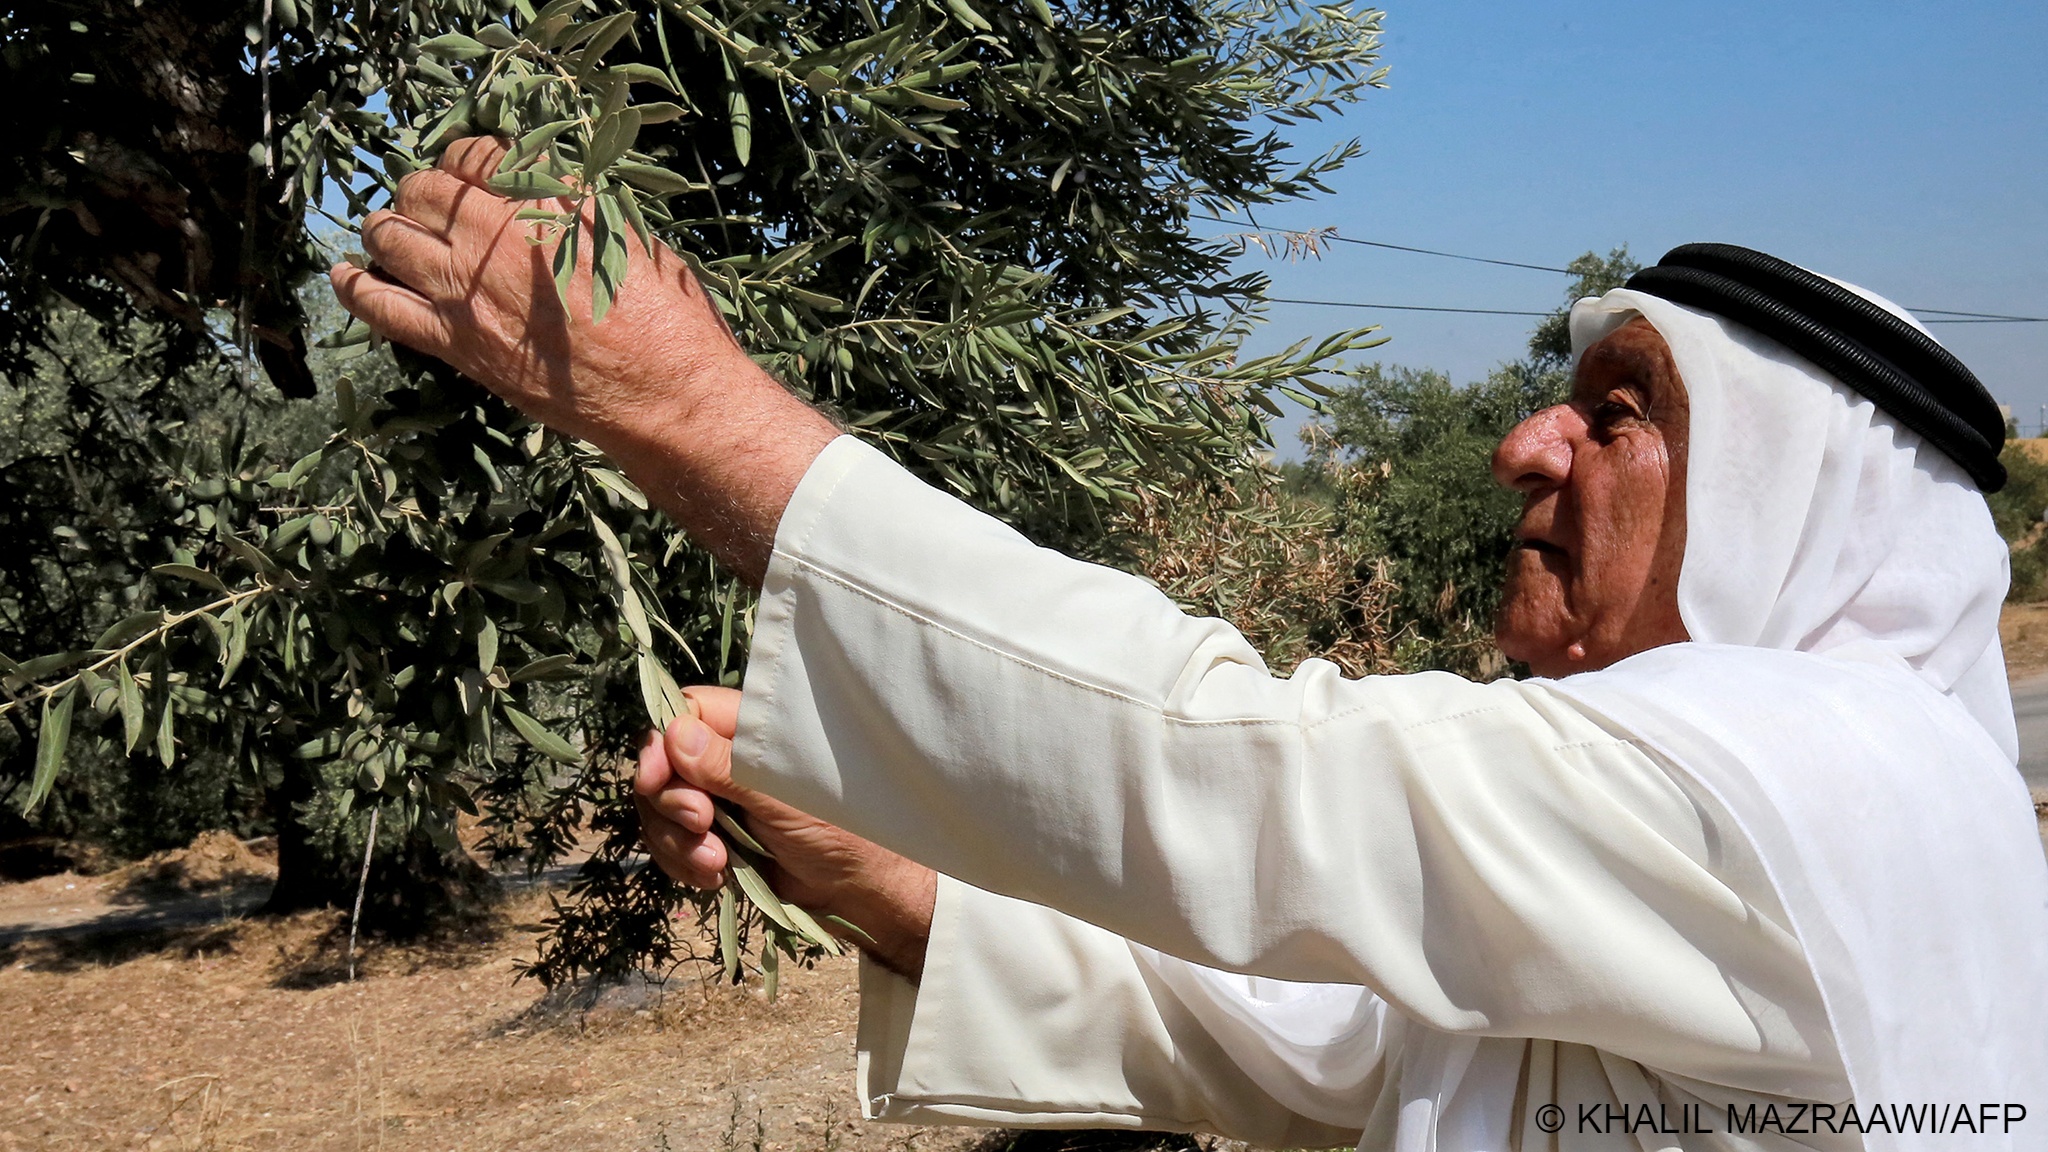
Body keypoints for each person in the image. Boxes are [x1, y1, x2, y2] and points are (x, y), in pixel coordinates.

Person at [332, 138, 2048, 1150]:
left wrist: (685, 408)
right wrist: (883, 879)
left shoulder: (1833, 782)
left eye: (1621, 413)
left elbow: (1242, 768)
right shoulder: (1717, 837)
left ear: (1792, 502)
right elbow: (1319, 1041)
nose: (1533, 445)